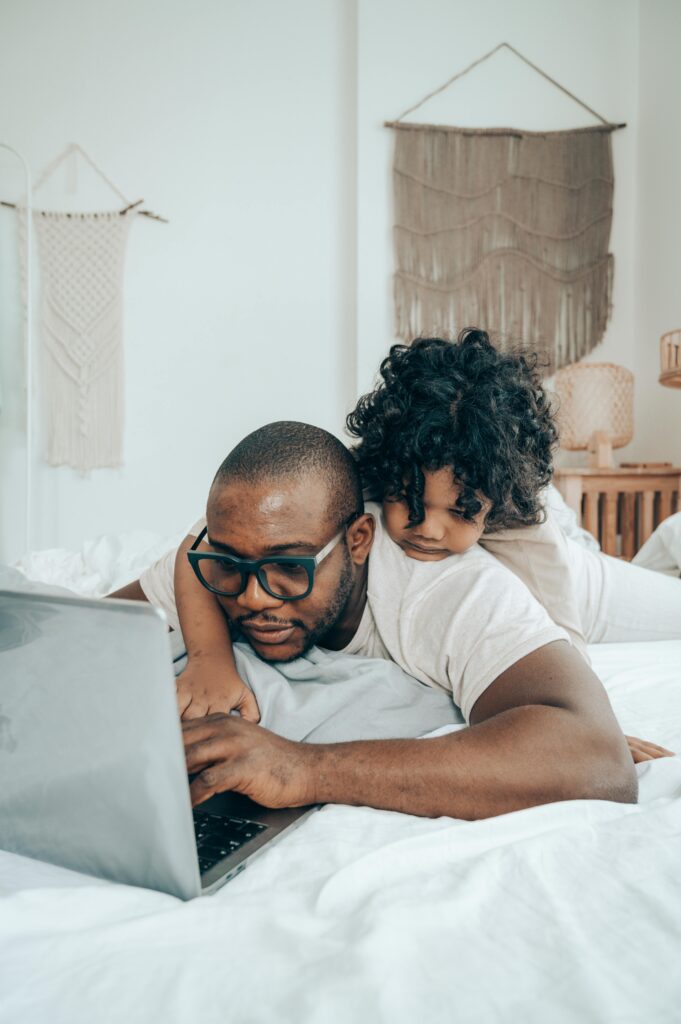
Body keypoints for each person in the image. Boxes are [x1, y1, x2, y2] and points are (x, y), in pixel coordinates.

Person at [122, 420, 637, 818]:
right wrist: (209, 656)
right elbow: (75, 630)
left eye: (288, 567)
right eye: (233, 566)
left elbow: (597, 759)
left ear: (358, 540)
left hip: (582, 580)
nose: (254, 598)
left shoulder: (449, 590)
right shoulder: (237, 544)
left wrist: (302, 768)